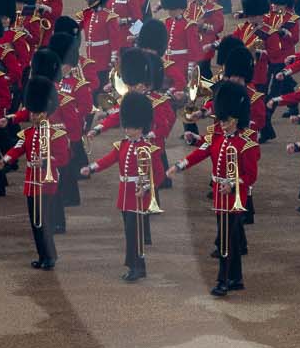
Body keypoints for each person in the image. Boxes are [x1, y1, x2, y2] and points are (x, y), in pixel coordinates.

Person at [178, 82, 258, 296]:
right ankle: (236, 278)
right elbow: (203, 151)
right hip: (219, 195)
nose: (223, 124)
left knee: (225, 240)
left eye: (227, 121)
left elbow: (251, 176)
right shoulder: (217, 136)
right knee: (229, 239)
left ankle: (222, 280)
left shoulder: (247, 143)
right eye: (222, 120)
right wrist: (181, 165)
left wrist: (232, 184)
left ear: (236, 119)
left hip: (234, 196)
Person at [83, 91, 163, 282]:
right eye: (126, 127)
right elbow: (109, 159)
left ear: (141, 127)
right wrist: (91, 168)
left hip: (138, 195)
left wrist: (146, 187)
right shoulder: (123, 144)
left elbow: (158, 175)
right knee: (130, 233)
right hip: (125, 195)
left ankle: (135, 266)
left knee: (134, 233)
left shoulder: (149, 148)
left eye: (131, 128)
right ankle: (137, 266)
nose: (127, 130)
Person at [0, 75, 64, 269]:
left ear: (47, 112)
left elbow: (63, 157)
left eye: (38, 113)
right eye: (32, 113)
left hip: (47, 183)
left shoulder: (56, 133)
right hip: (31, 183)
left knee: (44, 223)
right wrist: (5, 159)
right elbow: (19, 147)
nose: (34, 117)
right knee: (36, 224)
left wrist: (44, 162)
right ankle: (42, 255)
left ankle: (50, 256)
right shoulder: (28, 132)